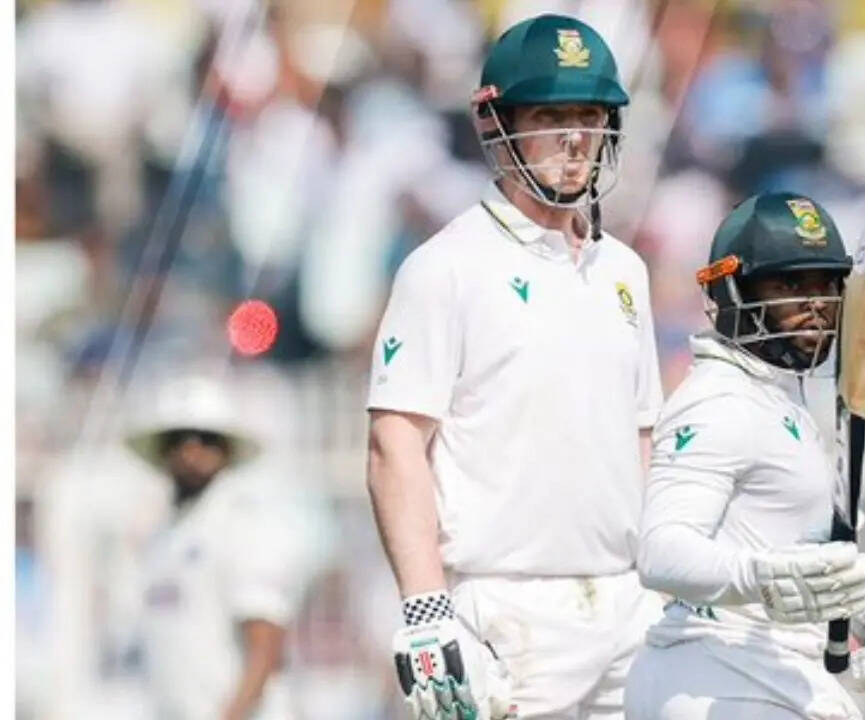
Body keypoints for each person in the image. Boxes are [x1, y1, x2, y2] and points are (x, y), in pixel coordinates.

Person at [365, 13, 664, 720]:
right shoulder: (446, 267)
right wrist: (427, 609)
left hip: (628, 603)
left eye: (590, 116)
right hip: (507, 611)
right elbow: (394, 444)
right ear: (498, 125)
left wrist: (672, 583)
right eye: (551, 117)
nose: (576, 138)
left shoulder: (624, 270)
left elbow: (642, 440)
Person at [625, 193, 865, 719]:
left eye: (825, 285)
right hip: (716, 675)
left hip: (766, 674)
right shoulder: (719, 400)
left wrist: (859, 603)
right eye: (788, 285)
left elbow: (780, 545)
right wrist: (764, 577)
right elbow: (661, 552)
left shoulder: (778, 398)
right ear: (733, 290)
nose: (815, 303)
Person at [124, 375, 321, 720]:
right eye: (179, 440)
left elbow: (265, 647)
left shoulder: (242, 524)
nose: (191, 452)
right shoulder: (165, 535)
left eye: (205, 440)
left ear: (226, 450)